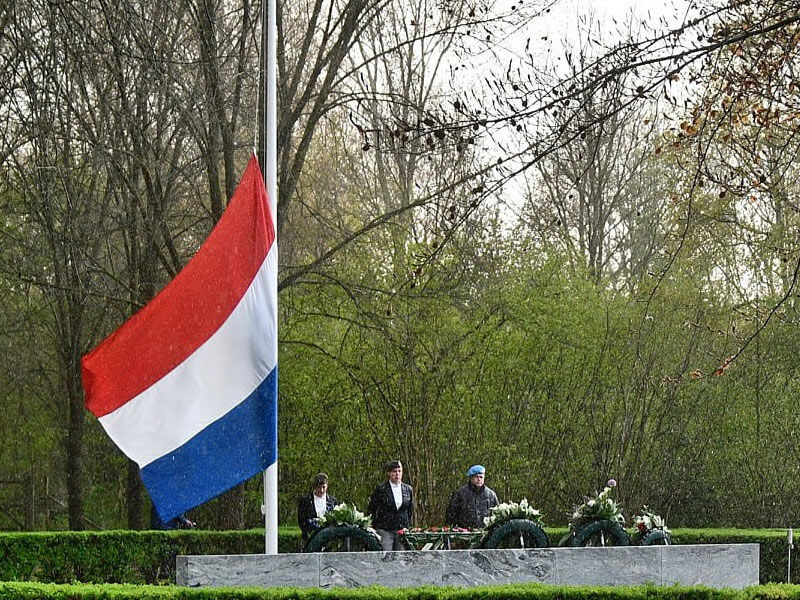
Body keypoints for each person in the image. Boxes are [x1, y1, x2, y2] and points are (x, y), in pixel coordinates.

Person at [367, 459, 413, 551]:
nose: (397, 474)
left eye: (399, 471)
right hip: (385, 529)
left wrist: (406, 526)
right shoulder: (381, 490)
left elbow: (410, 510)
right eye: (394, 471)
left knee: (400, 558)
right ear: (389, 473)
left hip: (401, 530)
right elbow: (372, 508)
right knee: (386, 556)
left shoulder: (408, 489)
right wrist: (372, 525)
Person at [445, 464, 499, 529]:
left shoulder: (491, 495)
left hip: (486, 534)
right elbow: (451, 514)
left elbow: (497, 516)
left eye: (481, 477)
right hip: (464, 534)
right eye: (476, 477)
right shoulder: (460, 494)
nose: (479, 479)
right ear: (471, 478)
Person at [297, 472, 338, 550]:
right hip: (310, 539)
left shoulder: (333, 501)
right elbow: (302, 521)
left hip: (329, 540)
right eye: (319, 487)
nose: (321, 490)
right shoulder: (305, 501)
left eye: (324, 487)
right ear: (314, 487)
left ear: (327, 486)